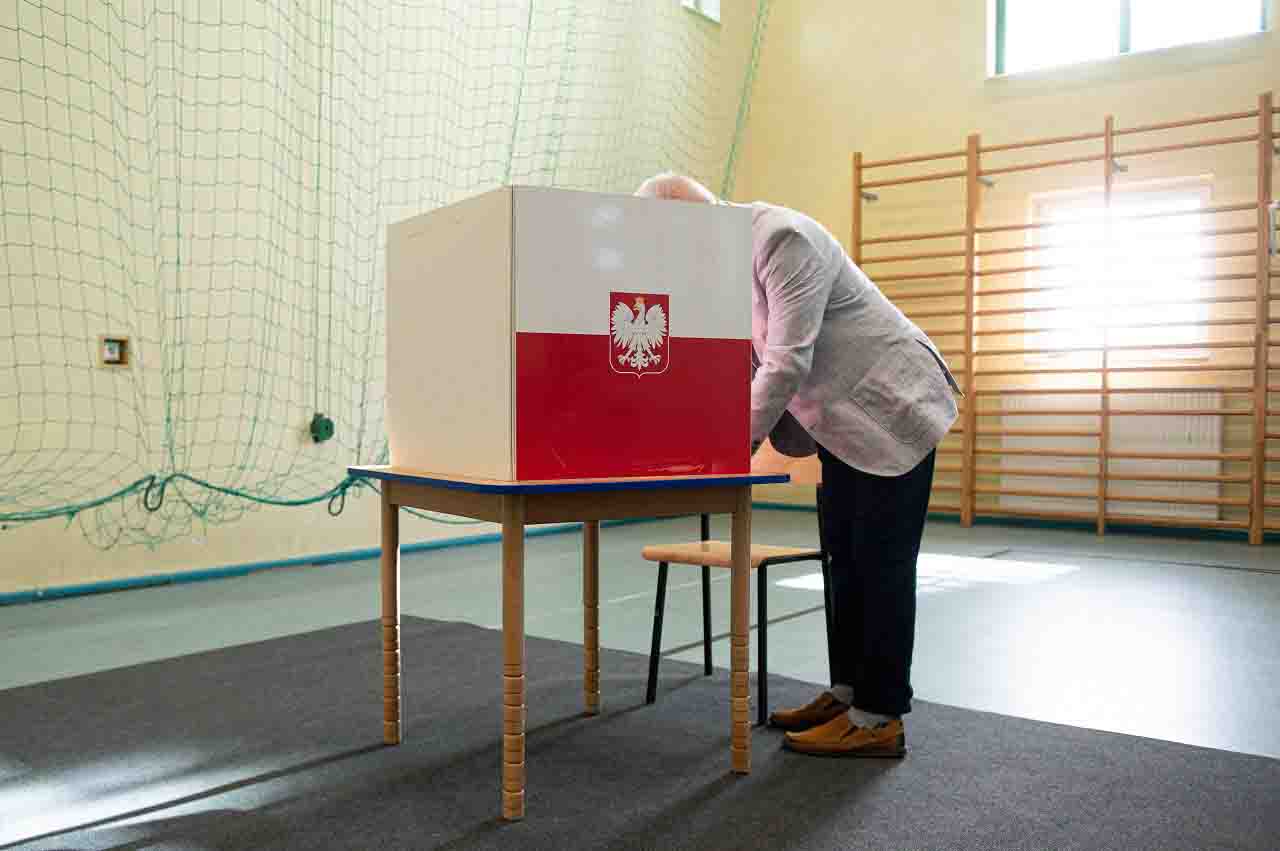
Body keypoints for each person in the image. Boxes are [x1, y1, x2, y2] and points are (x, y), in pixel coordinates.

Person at [635, 173, 960, 757]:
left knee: (881, 563)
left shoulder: (782, 239)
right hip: (842, 422)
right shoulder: (725, 262)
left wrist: (729, 447)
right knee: (844, 560)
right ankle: (847, 694)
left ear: (689, 221)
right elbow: (745, 360)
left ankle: (879, 718)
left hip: (892, 406)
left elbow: (785, 362)